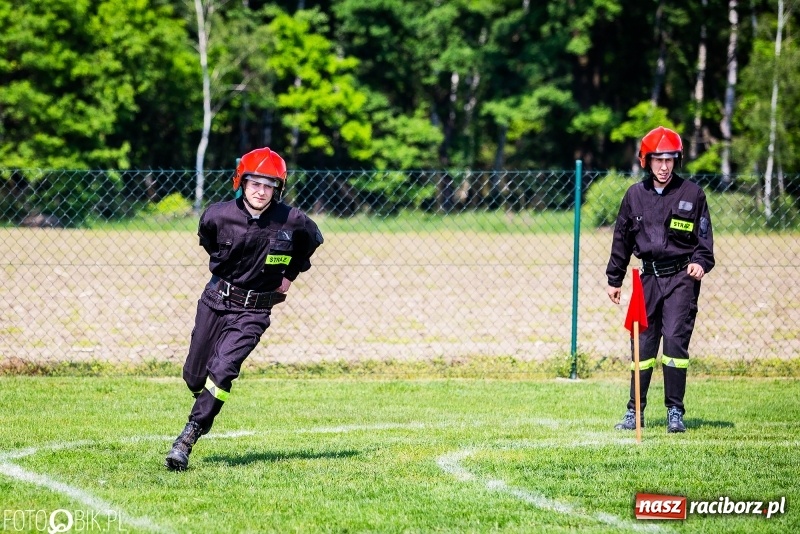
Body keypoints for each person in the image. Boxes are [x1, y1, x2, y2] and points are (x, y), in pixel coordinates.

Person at [165, 147, 324, 471]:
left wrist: (288, 276)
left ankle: (188, 437)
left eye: (269, 185)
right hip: (215, 300)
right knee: (195, 376)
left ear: (277, 189)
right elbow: (208, 240)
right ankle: (202, 396)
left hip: (254, 311)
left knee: (222, 371)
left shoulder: (292, 220)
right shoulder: (217, 215)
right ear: (242, 181)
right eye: (255, 183)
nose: (261, 191)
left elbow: (311, 243)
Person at [605, 126, 714, 433]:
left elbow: (704, 243)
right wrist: (615, 278)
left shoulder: (693, 194)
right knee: (641, 347)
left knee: (675, 344)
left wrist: (700, 263)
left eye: (669, 160)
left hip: (681, 279)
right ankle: (634, 413)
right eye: (658, 160)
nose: (664, 167)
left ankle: (675, 412)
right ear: (647, 161)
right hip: (646, 281)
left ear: (676, 161)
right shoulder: (634, 196)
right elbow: (621, 240)